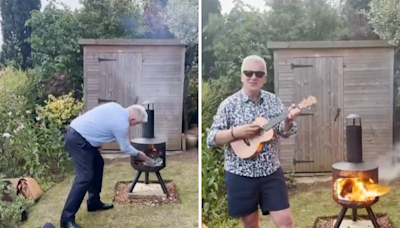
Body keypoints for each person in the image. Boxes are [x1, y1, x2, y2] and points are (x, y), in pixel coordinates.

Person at [207, 55, 300, 228]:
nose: (253, 77)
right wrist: (236, 132)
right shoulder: (229, 105)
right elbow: (211, 138)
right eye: (248, 72)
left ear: (265, 78)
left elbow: (285, 131)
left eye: (258, 73)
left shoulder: (273, 101)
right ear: (241, 76)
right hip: (240, 174)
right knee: (250, 224)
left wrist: (287, 120)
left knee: (286, 222)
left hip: (270, 171)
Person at [60, 102, 158, 228]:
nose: (133, 126)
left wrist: (97, 140)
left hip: (84, 137)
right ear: (132, 119)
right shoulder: (122, 124)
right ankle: (66, 220)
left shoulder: (115, 106)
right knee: (84, 177)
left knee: (98, 164)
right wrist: (140, 154)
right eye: (136, 124)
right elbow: (125, 148)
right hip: (78, 139)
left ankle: (93, 202)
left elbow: (100, 121)